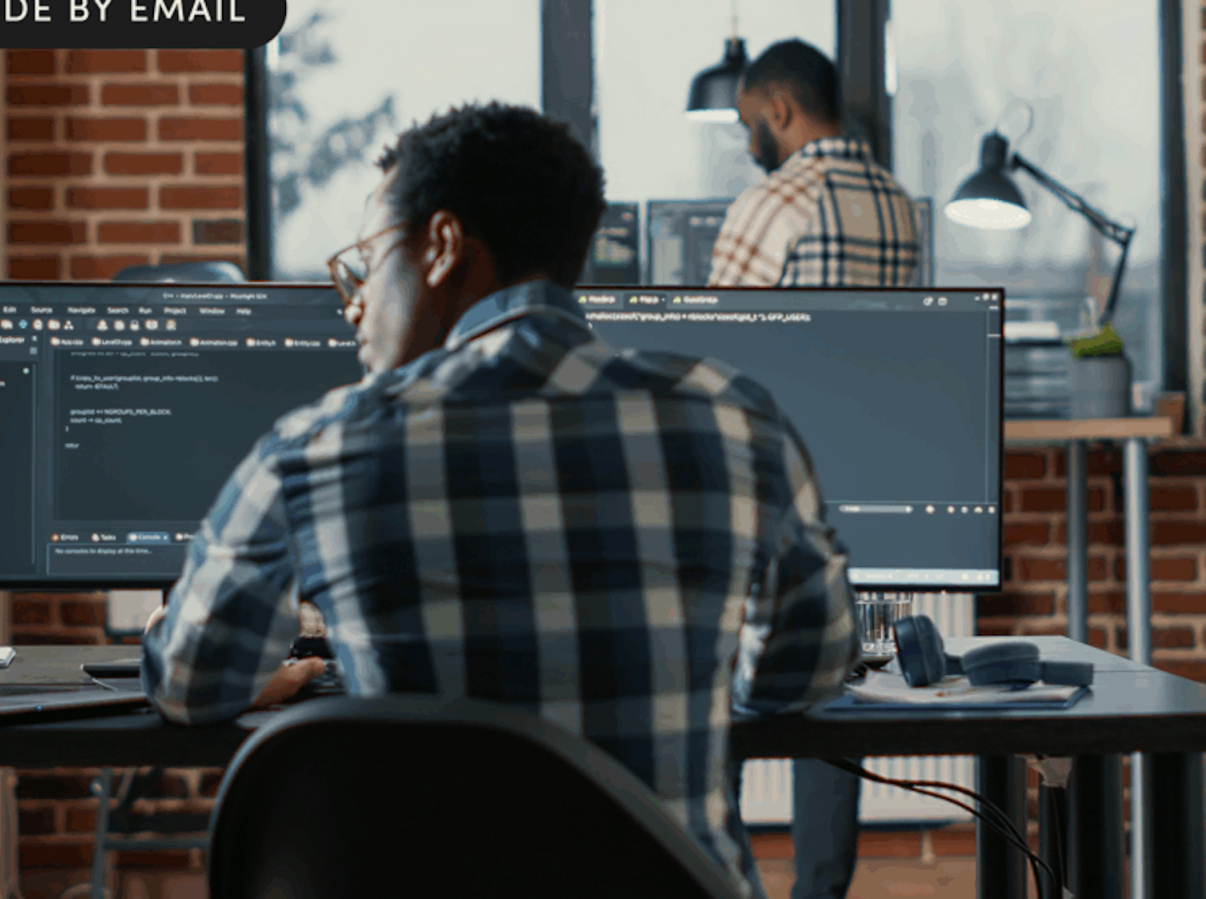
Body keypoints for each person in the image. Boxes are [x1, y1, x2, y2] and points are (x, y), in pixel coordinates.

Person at [141, 100, 858, 898]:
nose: (353, 301)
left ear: (443, 246)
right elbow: (807, 668)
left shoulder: (317, 447)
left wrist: (268, 670)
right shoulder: (737, 419)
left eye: (369, 263)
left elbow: (189, 682)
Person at [707, 38, 923, 899]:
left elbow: (714, 347)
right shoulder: (899, 202)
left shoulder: (773, 201)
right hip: (865, 475)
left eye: (750, 122)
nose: (750, 139)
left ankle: (710, 878)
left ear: (783, 110)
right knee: (837, 686)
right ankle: (821, 890)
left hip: (765, 484)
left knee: (722, 687)